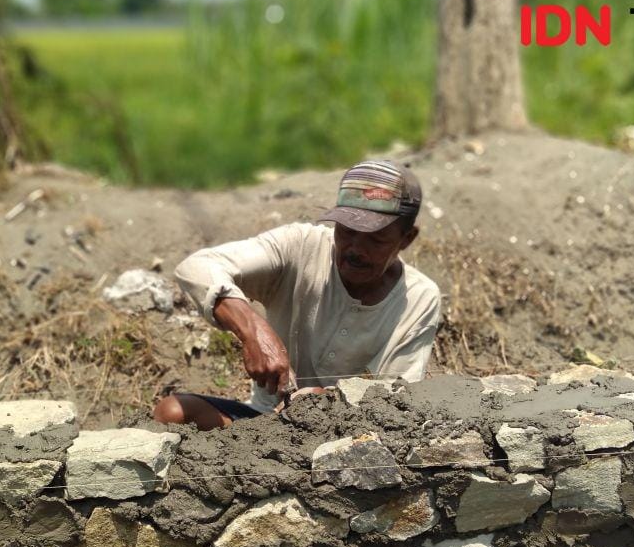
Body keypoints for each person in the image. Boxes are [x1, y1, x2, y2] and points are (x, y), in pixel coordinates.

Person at [154, 160, 441, 430]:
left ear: (407, 239)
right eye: (347, 231)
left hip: (348, 434)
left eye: (375, 240)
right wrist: (253, 330)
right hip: (266, 422)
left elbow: (394, 402)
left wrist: (324, 402)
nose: (354, 248)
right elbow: (196, 268)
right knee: (173, 412)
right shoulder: (300, 246)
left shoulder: (417, 299)